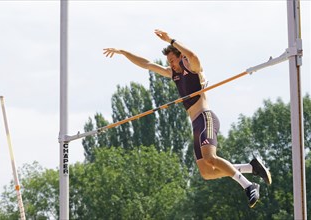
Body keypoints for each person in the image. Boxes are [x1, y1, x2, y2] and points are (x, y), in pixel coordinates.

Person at [103, 29, 272, 208]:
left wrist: (170, 40)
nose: (171, 65)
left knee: (211, 158)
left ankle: (248, 185)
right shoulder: (173, 74)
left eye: (173, 60)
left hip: (205, 117)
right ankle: (251, 167)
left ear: (180, 56)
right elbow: (147, 64)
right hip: (195, 125)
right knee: (207, 172)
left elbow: (192, 54)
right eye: (169, 62)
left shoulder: (193, 67)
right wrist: (122, 52)